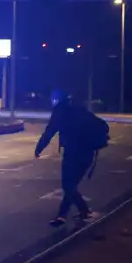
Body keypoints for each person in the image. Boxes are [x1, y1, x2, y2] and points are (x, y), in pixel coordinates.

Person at [36, 89, 104, 227]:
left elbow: (50, 131)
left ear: (55, 100)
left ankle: (80, 211)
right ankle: (63, 215)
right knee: (70, 186)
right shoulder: (79, 110)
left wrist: (39, 148)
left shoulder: (60, 111)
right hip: (88, 153)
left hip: (73, 153)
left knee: (68, 185)